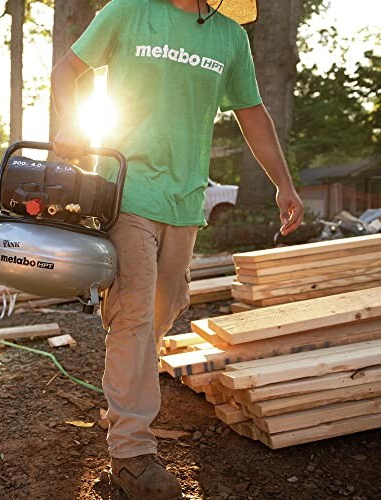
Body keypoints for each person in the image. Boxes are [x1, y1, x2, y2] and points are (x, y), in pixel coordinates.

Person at [51, 1, 304, 498]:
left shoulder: (229, 38)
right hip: (125, 189)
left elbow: (252, 113)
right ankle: (131, 453)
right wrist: (72, 123)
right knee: (136, 317)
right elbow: (68, 70)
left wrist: (284, 184)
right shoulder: (128, 11)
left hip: (186, 200)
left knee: (163, 311)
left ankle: (124, 385)